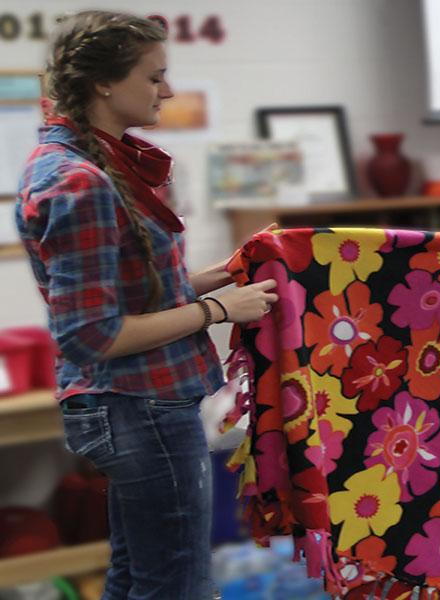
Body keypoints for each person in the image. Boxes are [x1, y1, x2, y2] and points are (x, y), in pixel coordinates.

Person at [16, 11, 278, 599]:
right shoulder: (78, 181)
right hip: (140, 408)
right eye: (154, 76)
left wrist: (219, 278)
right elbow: (93, 334)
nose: (168, 90)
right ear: (104, 83)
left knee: (139, 577)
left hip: (139, 406)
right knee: (177, 586)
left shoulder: (96, 163)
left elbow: (129, 293)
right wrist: (219, 311)